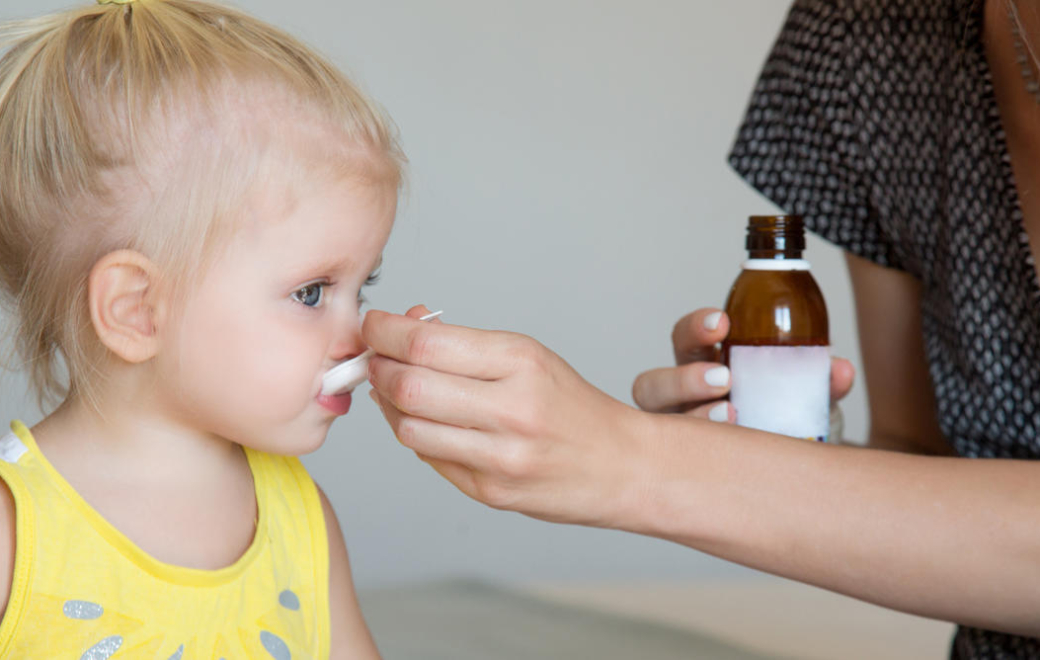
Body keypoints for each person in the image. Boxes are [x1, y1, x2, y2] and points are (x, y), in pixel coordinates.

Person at [362, 0, 1040, 657]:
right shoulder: (861, 35)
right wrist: (772, 457)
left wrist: (642, 462)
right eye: (311, 290)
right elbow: (920, 458)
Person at [0, 0, 402, 656]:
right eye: (311, 293)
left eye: (364, 286)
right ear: (138, 311)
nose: (358, 334)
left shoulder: (303, 524)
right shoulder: (14, 533)